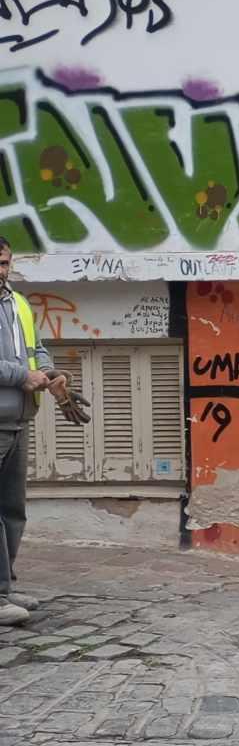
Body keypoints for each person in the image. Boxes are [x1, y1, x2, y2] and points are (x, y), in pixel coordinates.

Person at [0, 237, 59, 626]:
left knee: (12, 511)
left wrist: (50, 373)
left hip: (18, 420)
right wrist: (24, 376)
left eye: (4, 262)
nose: (0, 269)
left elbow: (37, 348)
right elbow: (20, 368)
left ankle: (6, 588)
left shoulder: (17, 302)